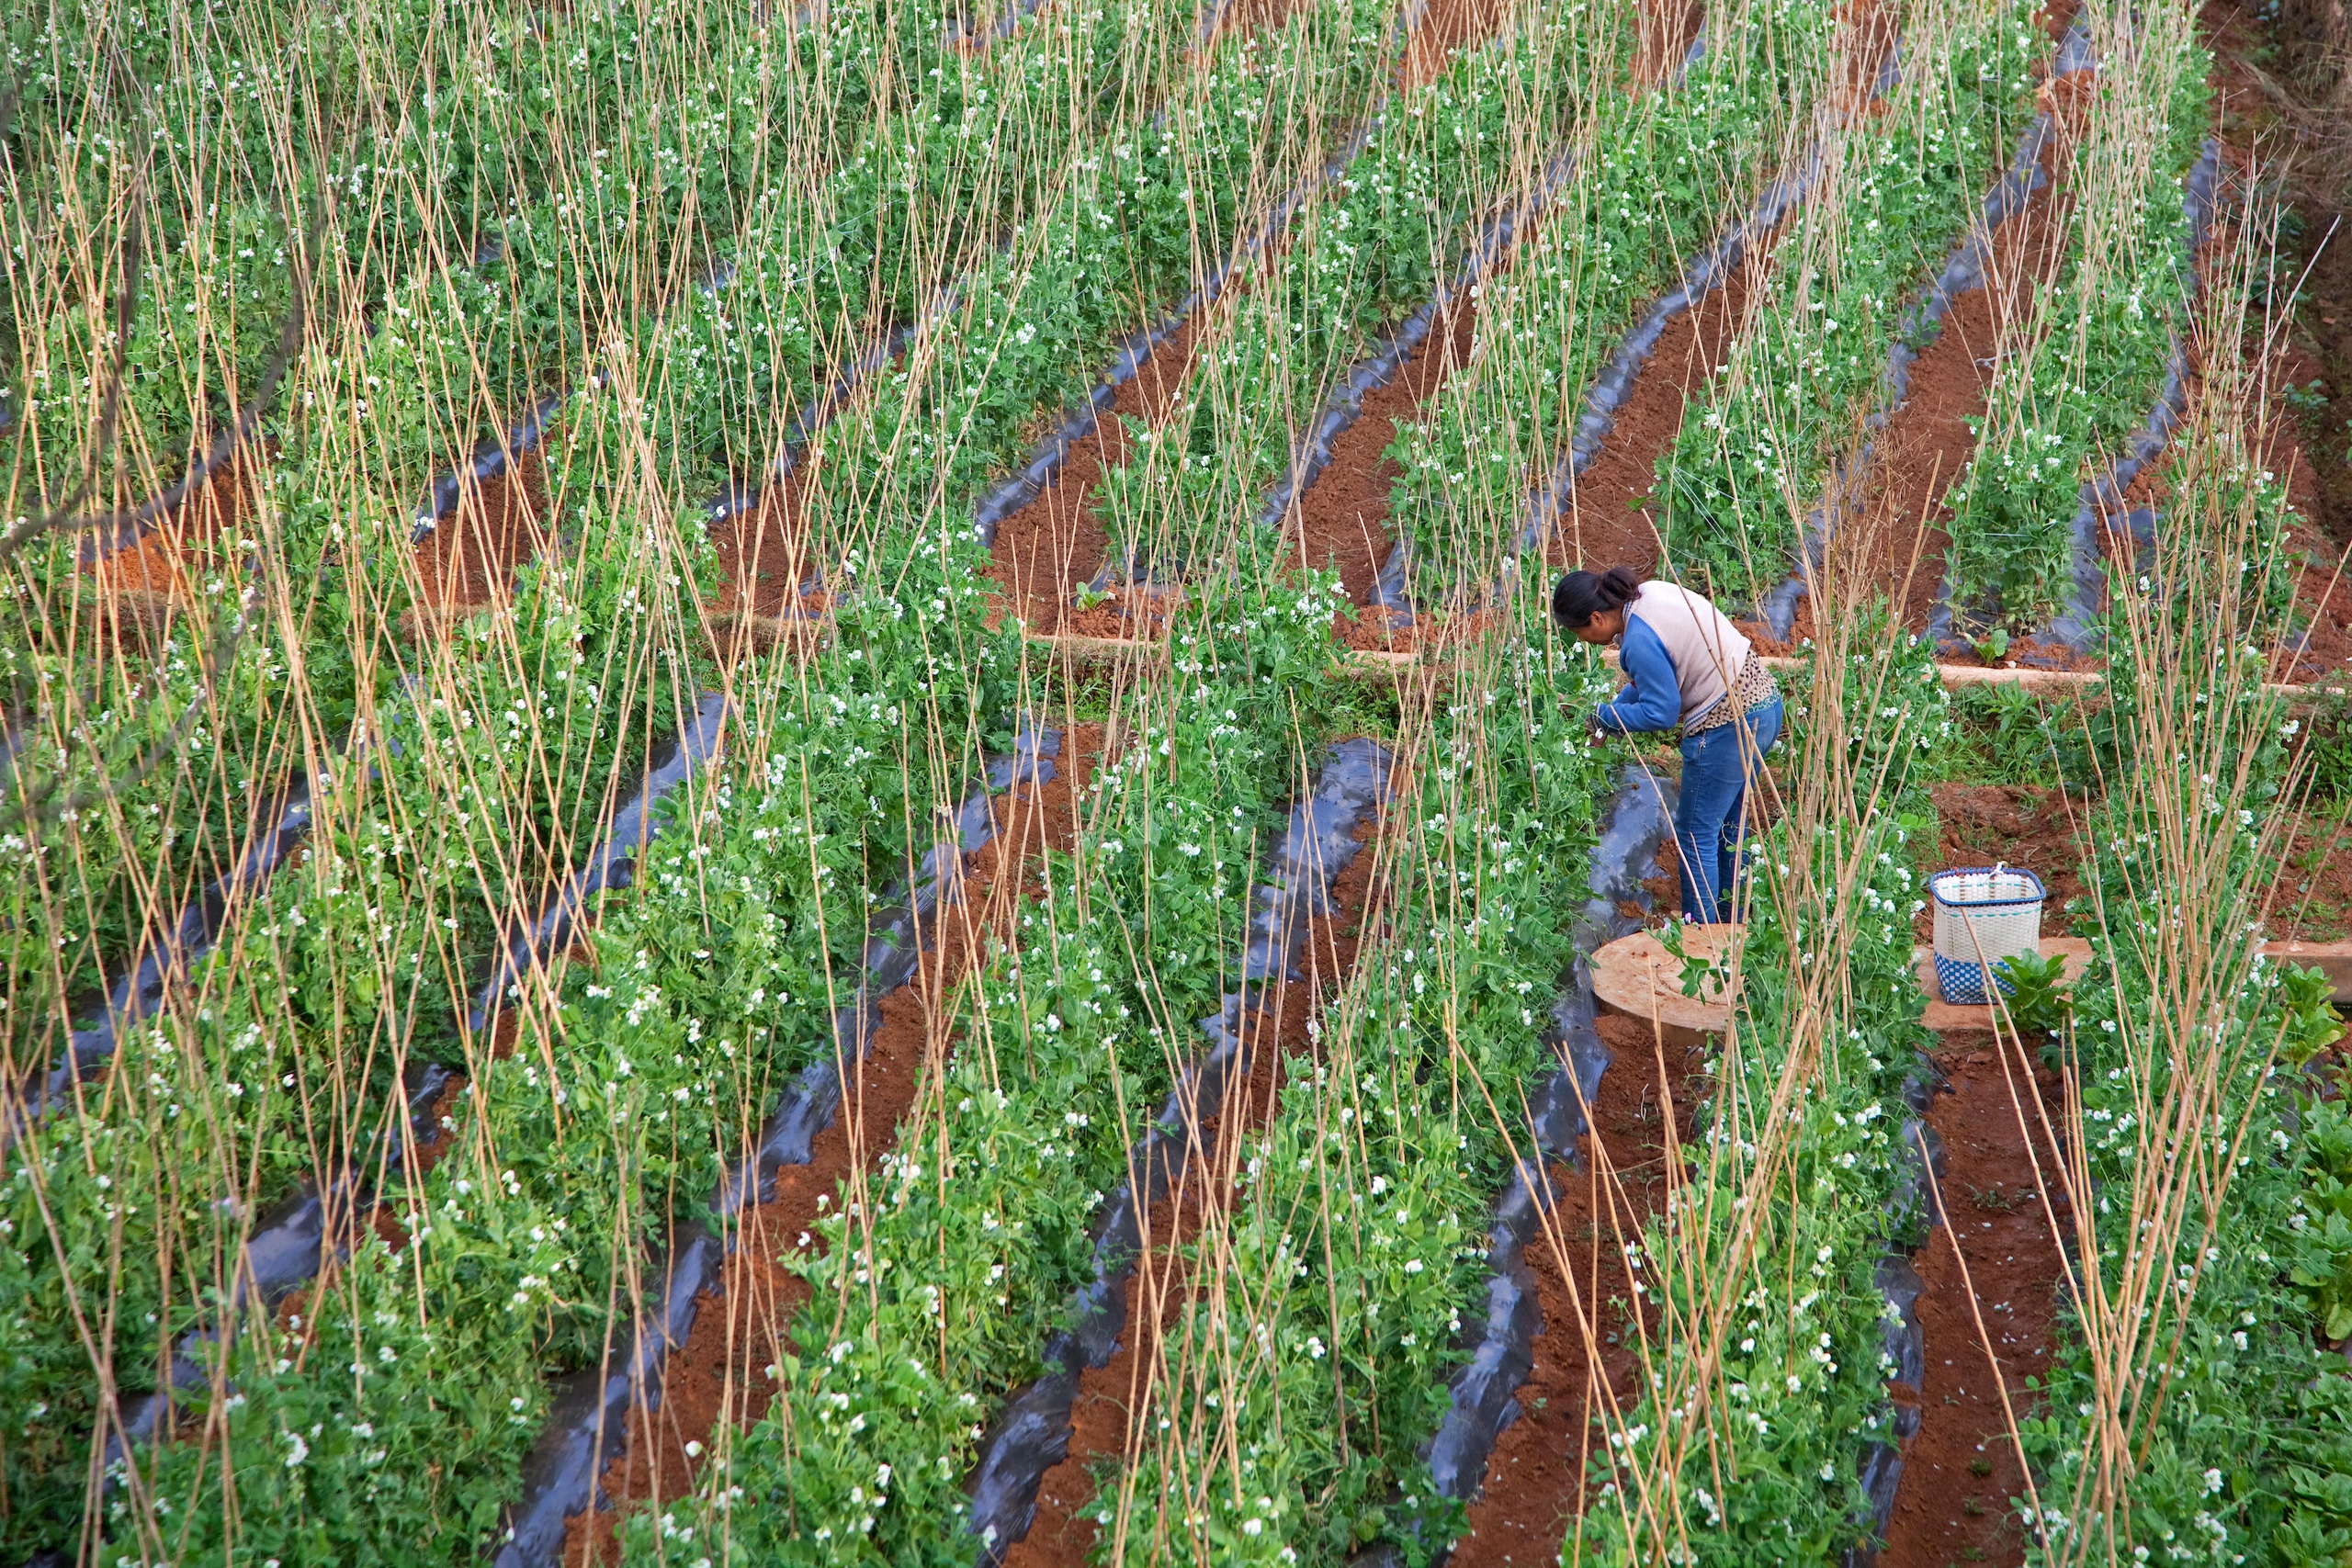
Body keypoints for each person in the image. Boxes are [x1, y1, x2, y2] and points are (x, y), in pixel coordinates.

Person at [1553, 567, 1783, 925]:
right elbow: (1650, 682)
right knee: (1728, 827)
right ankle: (1732, 926)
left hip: (1726, 725)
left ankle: (1703, 940)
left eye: (1578, 632)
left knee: (1696, 835)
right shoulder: (1647, 596)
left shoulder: (1638, 642)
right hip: (1763, 706)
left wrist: (1605, 717)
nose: (1582, 640)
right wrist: (1613, 713)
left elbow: (1661, 711)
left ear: (1596, 618)